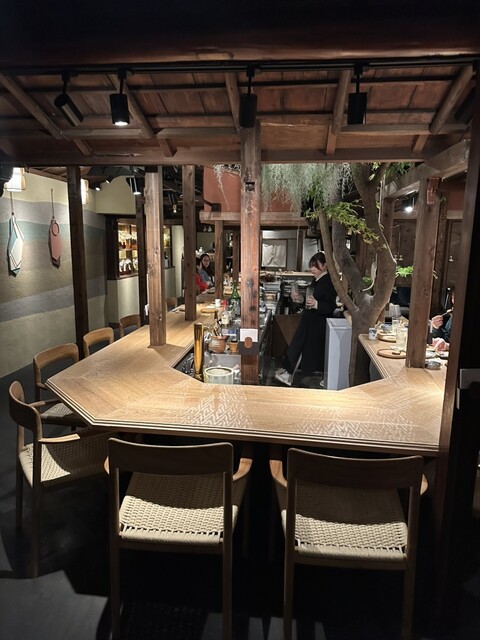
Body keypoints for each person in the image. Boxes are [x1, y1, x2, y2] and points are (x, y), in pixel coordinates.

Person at [275, 251, 337, 387]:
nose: (312, 269)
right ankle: (288, 371)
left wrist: (317, 304)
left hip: (317, 323)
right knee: (298, 346)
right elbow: (311, 299)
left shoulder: (328, 282)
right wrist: (301, 299)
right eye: (311, 266)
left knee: (303, 348)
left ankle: (290, 373)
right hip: (310, 319)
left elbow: (331, 306)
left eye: (316, 266)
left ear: (325, 265)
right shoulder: (318, 279)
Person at [431, 287, 454, 351]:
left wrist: (448, 346)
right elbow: (446, 337)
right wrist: (436, 328)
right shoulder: (453, 317)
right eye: (453, 298)